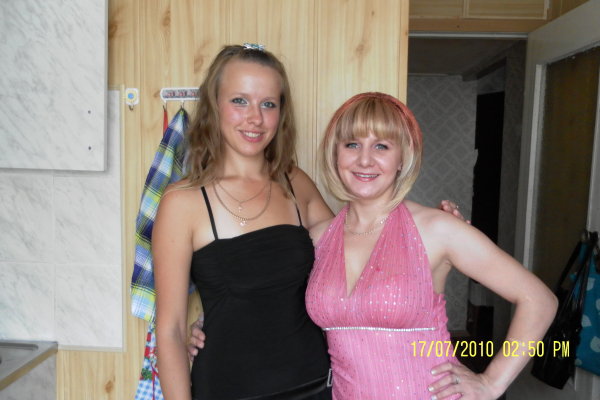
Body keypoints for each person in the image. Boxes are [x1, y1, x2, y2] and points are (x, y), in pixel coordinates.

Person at [160, 44, 464, 400]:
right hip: (226, 389)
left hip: (316, 387)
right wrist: (214, 318)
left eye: (268, 104)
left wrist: (434, 240)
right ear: (214, 105)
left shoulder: (294, 182)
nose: (255, 118)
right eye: (239, 101)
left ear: (281, 112)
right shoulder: (182, 202)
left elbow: (361, 251)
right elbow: (169, 330)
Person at [302, 92, 557, 399]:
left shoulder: (437, 229)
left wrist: (492, 383)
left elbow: (539, 300)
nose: (364, 159)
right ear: (335, 153)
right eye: (352, 144)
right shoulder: (316, 239)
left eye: (382, 146)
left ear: (402, 157)